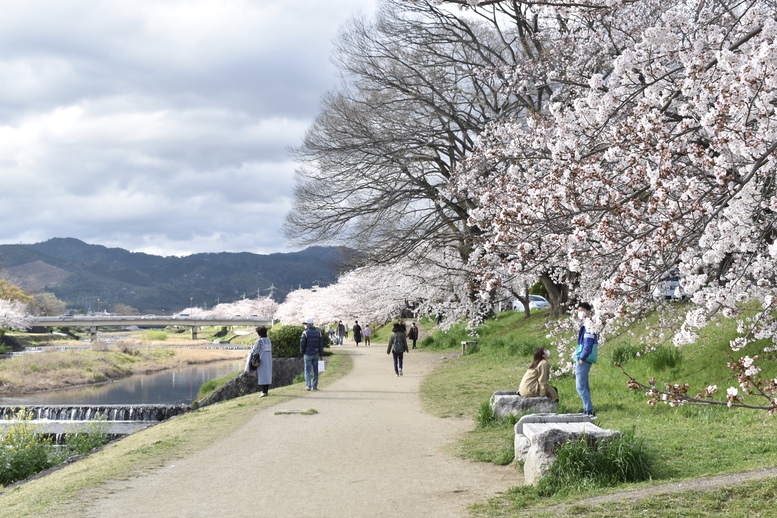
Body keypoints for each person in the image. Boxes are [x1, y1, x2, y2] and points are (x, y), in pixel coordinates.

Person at [574, 302, 598, 416]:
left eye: (582, 310)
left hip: (583, 358)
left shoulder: (588, 326)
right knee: (584, 385)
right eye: (578, 310)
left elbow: (588, 344)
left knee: (580, 386)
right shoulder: (586, 325)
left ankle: (588, 410)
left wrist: (582, 358)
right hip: (583, 357)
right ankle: (587, 409)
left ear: (588, 311)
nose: (580, 312)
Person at [245, 325, 273, 397]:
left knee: (262, 376)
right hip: (268, 360)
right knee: (267, 376)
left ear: (259, 334)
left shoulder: (259, 341)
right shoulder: (268, 340)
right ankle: (265, 391)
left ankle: (264, 392)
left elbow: (254, 351)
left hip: (261, 360)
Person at [300, 318, 324, 391]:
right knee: (315, 371)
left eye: (306, 324)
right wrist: (321, 354)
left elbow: (302, 344)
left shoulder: (305, 333)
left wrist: (302, 352)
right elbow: (320, 344)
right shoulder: (318, 333)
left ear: (308, 324)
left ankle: (308, 386)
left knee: (307, 370)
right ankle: (314, 386)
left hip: (307, 353)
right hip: (316, 353)